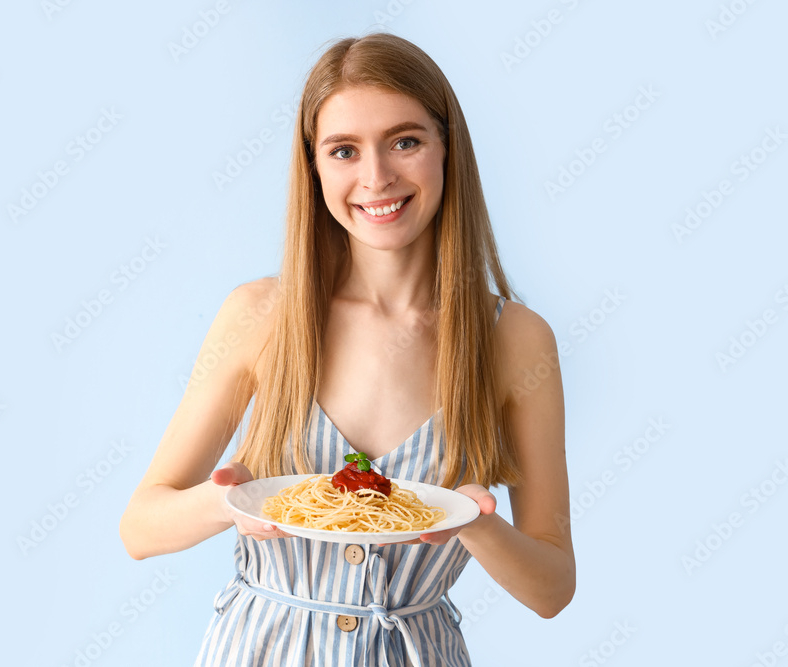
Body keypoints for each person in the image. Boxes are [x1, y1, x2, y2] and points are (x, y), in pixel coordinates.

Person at [120, 32, 574, 666]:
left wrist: (475, 524)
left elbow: (552, 588)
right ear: (314, 167)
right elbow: (140, 526)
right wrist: (228, 503)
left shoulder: (514, 339)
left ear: (448, 148)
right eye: (343, 150)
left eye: (406, 141)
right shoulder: (260, 316)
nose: (376, 177)